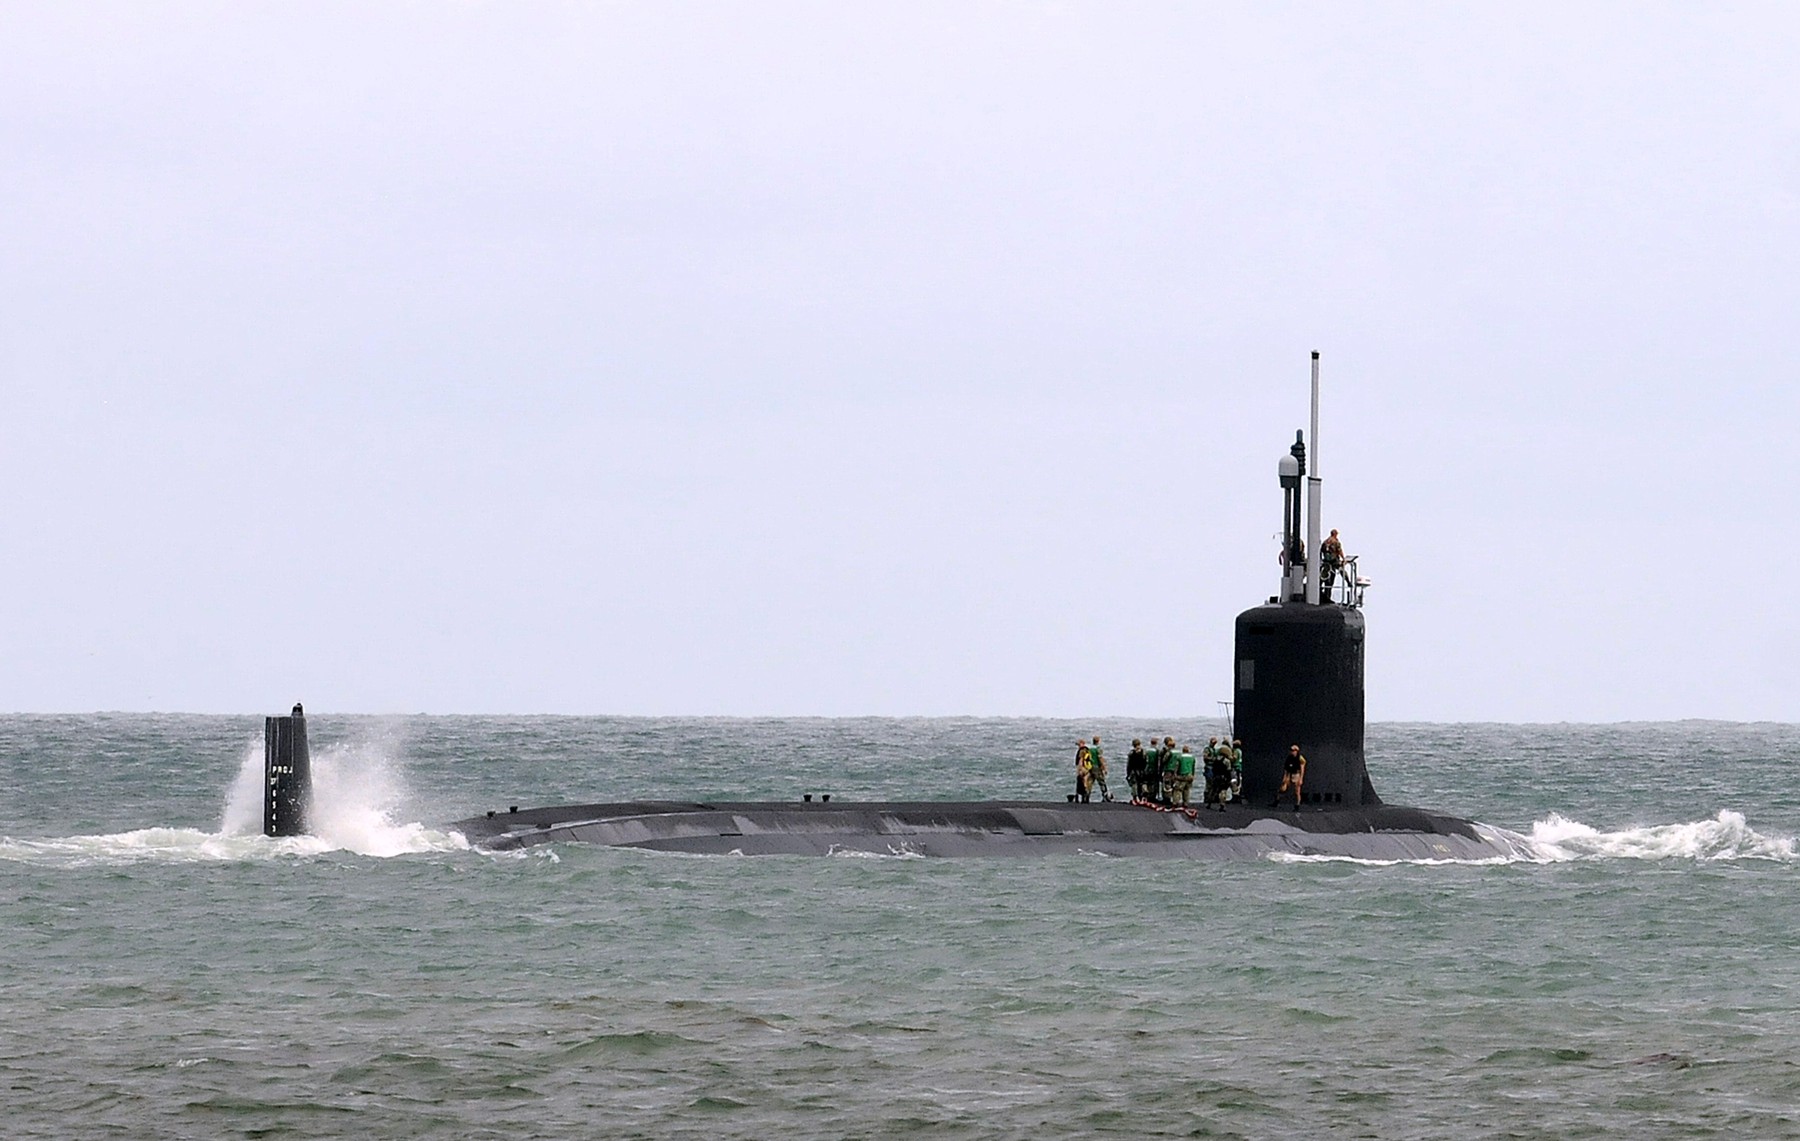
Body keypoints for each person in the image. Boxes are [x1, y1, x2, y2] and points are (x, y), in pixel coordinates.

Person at [1277, 744, 1307, 810]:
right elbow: (1286, 769)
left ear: (1297, 751)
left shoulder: (1300, 758)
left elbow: (1302, 769)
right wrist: (1285, 778)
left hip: (1296, 775)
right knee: (1282, 789)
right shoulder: (1289, 758)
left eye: (1293, 750)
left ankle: (1297, 805)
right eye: (1291, 750)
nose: (1292, 751)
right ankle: (1277, 801)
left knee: (1297, 791)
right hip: (1289, 774)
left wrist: (1301, 779)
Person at [1320, 528, 1345, 602]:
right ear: (1335, 534)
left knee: (1325, 579)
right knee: (1332, 580)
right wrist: (1344, 559)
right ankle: (1348, 582)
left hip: (1325, 564)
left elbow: (1321, 552)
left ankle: (1323, 595)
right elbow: (1339, 551)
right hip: (1333, 563)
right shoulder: (1336, 542)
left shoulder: (1325, 542)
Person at [1170, 743, 1196, 807]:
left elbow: (1177, 766)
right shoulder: (1192, 758)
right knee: (1186, 790)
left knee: (1177, 790)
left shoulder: (1180, 757)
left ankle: (1175, 803)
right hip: (1189, 776)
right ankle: (1185, 803)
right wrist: (1193, 775)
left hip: (1181, 776)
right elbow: (1193, 767)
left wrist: (1175, 775)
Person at [1088, 735, 1112, 802]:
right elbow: (1100, 758)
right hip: (1096, 767)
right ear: (1098, 741)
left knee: (1090, 782)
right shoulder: (1098, 749)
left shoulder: (1089, 749)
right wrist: (1104, 768)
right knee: (1101, 782)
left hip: (1090, 766)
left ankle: (1087, 795)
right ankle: (1105, 796)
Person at [1074, 739, 1092, 803]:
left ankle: (1080, 797)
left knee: (1081, 782)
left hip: (1082, 768)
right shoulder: (1087, 750)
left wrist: (1079, 769)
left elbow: (1080, 760)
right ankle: (1086, 797)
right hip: (1087, 768)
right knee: (1086, 782)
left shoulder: (1081, 751)